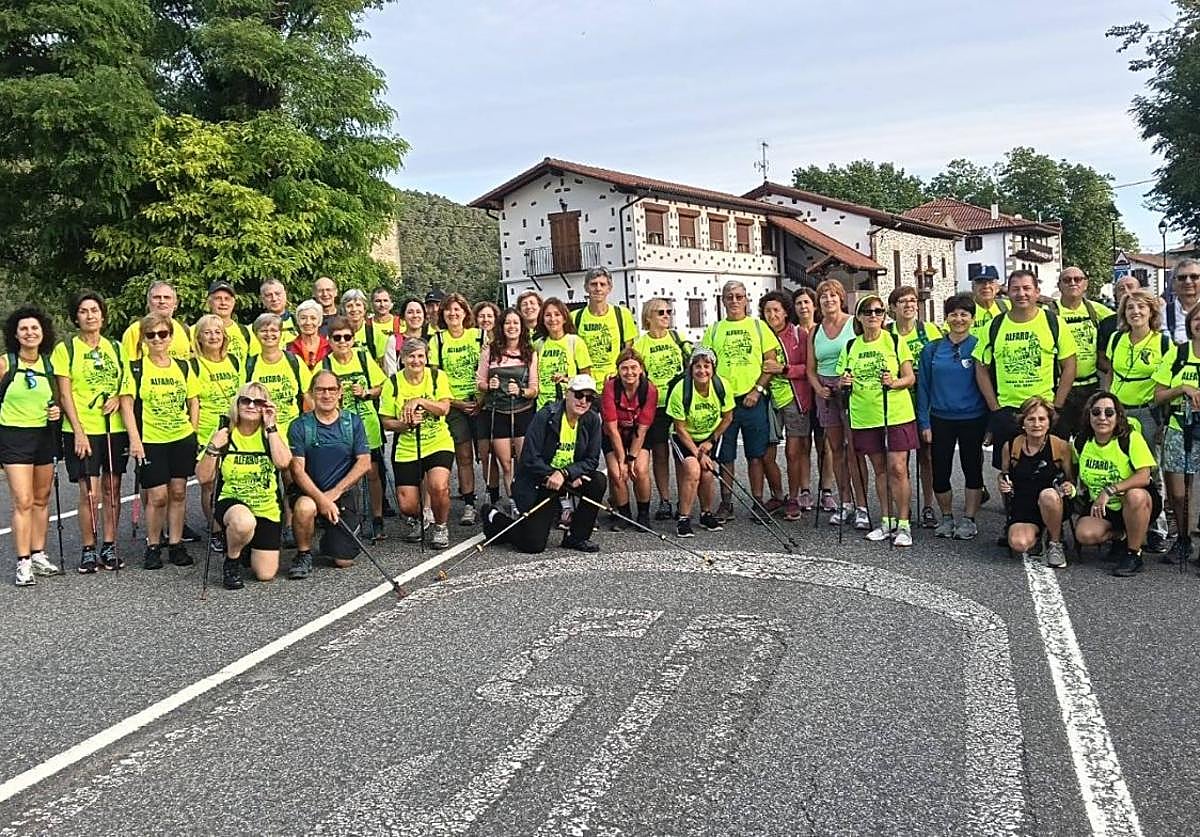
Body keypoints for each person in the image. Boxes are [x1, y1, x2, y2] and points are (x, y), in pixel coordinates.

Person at [480, 374, 606, 553]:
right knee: (533, 545)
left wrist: (566, 473)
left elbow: (592, 460)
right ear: (567, 393)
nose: (583, 401)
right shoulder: (546, 416)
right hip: (540, 481)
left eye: (589, 398)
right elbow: (530, 458)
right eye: (579, 395)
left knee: (597, 480)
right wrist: (553, 474)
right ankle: (495, 518)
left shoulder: (592, 420)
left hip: (565, 478)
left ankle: (577, 537)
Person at [52, 291, 128, 572]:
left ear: (103, 316)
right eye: (83, 311)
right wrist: (79, 431)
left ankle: (109, 545)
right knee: (89, 492)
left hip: (113, 428)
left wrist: (119, 398)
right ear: (76, 317)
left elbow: (125, 386)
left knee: (112, 488)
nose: (90, 315)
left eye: (94, 310)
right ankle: (88, 547)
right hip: (82, 429)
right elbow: (65, 394)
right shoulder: (67, 349)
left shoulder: (116, 348)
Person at [974, 269, 1077, 473]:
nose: (1022, 294)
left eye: (1027, 288)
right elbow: (980, 367)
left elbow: (1070, 366)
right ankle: (1011, 506)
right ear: (1007, 293)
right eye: (1015, 289)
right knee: (1008, 470)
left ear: (1037, 292)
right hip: (1008, 410)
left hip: (1045, 409)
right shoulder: (994, 326)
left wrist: (1057, 405)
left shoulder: (1053, 322)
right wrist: (995, 408)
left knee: (1053, 468)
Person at [120, 312, 200, 570]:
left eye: (162, 334)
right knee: (157, 496)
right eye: (151, 335)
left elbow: (193, 399)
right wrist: (135, 439)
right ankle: (153, 545)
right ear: (143, 338)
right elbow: (127, 404)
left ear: (170, 336)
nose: (157, 339)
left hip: (180, 438)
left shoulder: (183, 366)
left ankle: (176, 544)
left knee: (178, 492)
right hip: (151, 440)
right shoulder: (137, 368)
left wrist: (193, 431)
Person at [838, 294, 919, 546]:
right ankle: (886, 520)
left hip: (895, 413)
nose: (873, 316)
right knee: (880, 470)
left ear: (884, 316)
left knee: (897, 467)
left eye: (878, 311)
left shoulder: (894, 341)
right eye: (868, 312)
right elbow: (843, 378)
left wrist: (893, 383)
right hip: (865, 415)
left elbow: (909, 378)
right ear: (859, 317)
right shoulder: (851, 346)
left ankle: (903, 524)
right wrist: (844, 383)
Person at [196, 382, 292, 589]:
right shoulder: (226, 432)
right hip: (232, 502)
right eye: (245, 400)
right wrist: (213, 447)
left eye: (258, 402)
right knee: (243, 522)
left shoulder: (271, 433)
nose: (250, 406)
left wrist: (271, 426)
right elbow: (203, 478)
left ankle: (244, 544)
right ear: (237, 404)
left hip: (267, 507)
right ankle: (232, 561)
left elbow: (284, 463)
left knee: (265, 574)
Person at [703, 279, 780, 522]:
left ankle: (757, 500)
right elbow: (705, 364)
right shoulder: (714, 330)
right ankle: (726, 503)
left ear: (746, 299)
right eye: (729, 297)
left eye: (739, 296)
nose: (734, 301)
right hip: (725, 403)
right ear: (723, 300)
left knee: (755, 454)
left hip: (753, 400)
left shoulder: (759, 327)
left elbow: (770, 364)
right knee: (725, 455)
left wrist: (757, 390)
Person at [1102, 288, 1170, 552]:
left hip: (1146, 411)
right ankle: (1123, 524)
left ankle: (1157, 527)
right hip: (1119, 412)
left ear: (1151, 312)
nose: (1136, 312)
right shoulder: (1117, 339)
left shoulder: (1162, 343)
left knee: (1152, 469)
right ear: (1124, 313)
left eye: (1142, 307)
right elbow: (1109, 371)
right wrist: (1107, 401)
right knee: (1120, 465)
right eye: (1130, 308)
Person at [287, 371, 371, 579]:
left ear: (340, 392)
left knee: (343, 561)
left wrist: (335, 493)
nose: (326, 395)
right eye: (320, 390)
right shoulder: (300, 425)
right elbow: (297, 469)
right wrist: (321, 499)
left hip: (341, 494)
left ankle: (331, 538)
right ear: (312, 393)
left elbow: (364, 462)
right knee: (305, 507)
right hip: (310, 493)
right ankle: (303, 553)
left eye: (332, 389)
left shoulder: (352, 422)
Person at [917, 294, 988, 541]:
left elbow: (988, 384)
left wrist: (990, 423)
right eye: (954, 314)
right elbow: (923, 387)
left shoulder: (980, 345)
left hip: (973, 417)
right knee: (940, 470)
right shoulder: (932, 349)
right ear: (946, 318)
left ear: (972, 318)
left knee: (972, 468)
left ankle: (969, 519)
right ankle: (946, 516)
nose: (958, 319)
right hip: (940, 417)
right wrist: (924, 423)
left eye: (964, 314)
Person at [2, 307, 63, 585]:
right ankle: (23, 561)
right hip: (13, 436)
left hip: (43, 437)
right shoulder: (6, 363)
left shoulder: (49, 365)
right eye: (24, 329)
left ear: (43, 333)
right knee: (23, 500)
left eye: (34, 328)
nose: (30, 333)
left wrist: (56, 411)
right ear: (15, 334)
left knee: (41, 499)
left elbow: (58, 401)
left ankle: (38, 554)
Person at [380, 337, 454, 547]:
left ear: (427, 357)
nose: (416, 360)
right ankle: (420, 519)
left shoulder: (437, 376)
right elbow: (386, 422)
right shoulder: (392, 383)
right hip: (407, 445)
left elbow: (444, 408)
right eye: (411, 356)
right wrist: (405, 424)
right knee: (406, 504)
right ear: (402, 359)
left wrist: (420, 401)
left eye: (421, 356)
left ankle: (441, 526)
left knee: (438, 486)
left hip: (437, 440)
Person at [247, 312, 312, 547]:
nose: (269, 334)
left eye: (274, 330)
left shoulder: (293, 361)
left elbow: (307, 395)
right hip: (259, 431)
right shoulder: (250, 363)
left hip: (291, 429)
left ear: (281, 334)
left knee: (290, 477)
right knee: (265, 478)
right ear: (256, 334)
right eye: (263, 330)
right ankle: (266, 523)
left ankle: (290, 523)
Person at [1072, 392, 1155, 577]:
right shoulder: (1081, 441)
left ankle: (1134, 553)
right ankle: (1121, 536)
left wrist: (1110, 490)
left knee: (1135, 495)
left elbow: (1144, 476)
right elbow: (1074, 474)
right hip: (1101, 507)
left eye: (1109, 413)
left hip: (1134, 503)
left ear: (1118, 416)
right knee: (1084, 534)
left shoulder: (1130, 438)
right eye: (1096, 412)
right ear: (1089, 415)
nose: (1102, 418)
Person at [321, 316, 388, 539]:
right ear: (329, 340)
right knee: (346, 475)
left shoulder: (362, 357)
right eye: (337, 338)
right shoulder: (326, 364)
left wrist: (366, 392)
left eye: (347, 337)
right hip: (339, 427)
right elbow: (317, 394)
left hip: (367, 423)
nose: (342, 342)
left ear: (353, 338)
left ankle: (377, 518)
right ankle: (351, 518)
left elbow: (382, 386)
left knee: (373, 472)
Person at [808, 279, 867, 528]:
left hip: (850, 388)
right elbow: (811, 367)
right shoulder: (815, 330)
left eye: (833, 295)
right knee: (836, 450)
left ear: (841, 298)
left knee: (855, 449)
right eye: (823, 297)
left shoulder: (853, 323)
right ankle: (845, 502)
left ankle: (863, 505)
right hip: (825, 391)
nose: (828, 300)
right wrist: (818, 388)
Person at [888, 285, 942, 527]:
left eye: (913, 301)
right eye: (903, 301)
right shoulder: (886, 332)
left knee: (927, 456)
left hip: (925, 399)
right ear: (892, 308)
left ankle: (928, 506)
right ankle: (903, 506)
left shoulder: (929, 331)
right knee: (899, 460)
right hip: (896, 400)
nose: (909, 305)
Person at [997, 396, 1075, 567]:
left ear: (1049, 422)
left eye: (1042, 419)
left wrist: (1069, 487)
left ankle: (1055, 542)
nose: (1036, 424)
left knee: (1048, 495)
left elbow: (1071, 479)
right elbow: (1004, 474)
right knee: (1020, 543)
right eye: (1031, 419)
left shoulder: (1060, 446)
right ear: (1023, 422)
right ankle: (1038, 535)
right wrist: (1003, 484)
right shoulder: (1011, 446)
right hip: (1024, 505)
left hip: (1053, 503)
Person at [191, 314, 246, 552]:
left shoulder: (234, 361)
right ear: (199, 337)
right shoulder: (193, 364)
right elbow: (192, 402)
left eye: (217, 332)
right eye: (207, 332)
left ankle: (234, 523)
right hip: (207, 429)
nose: (213, 336)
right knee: (209, 482)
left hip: (234, 427)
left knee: (233, 478)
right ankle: (214, 529)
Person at [428, 293, 483, 525]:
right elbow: (434, 378)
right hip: (452, 405)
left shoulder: (478, 335)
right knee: (463, 455)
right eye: (448, 310)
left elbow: (488, 367)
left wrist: (481, 399)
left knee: (488, 454)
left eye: (457, 309)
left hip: (480, 402)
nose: (453, 314)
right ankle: (468, 503)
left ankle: (495, 497)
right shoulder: (437, 340)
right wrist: (457, 403)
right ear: (443, 314)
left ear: (465, 313)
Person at [667, 346, 734, 537]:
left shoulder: (722, 386)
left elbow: (728, 417)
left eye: (707, 366)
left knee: (707, 471)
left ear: (713, 369)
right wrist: (698, 453)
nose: (702, 371)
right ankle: (683, 518)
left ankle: (706, 513)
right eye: (697, 366)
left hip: (709, 435)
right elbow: (679, 428)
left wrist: (710, 442)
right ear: (691, 369)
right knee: (693, 468)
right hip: (684, 436)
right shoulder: (681, 390)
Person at [1152, 299, 1200, 565]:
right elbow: (1157, 395)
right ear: (1190, 324)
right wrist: (1182, 388)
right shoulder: (1178, 354)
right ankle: (1182, 540)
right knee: (1178, 493)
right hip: (1179, 428)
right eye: (1196, 319)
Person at [632, 297, 688, 521]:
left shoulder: (677, 337)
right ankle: (664, 500)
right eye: (660, 312)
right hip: (653, 406)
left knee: (680, 455)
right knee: (661, 454)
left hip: (677, 404)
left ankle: (684, 500)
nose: (666, 316)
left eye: (668, 311)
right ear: (648, 317)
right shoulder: (640, 344)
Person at [477, 308, 538, 510]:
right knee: (505, 463)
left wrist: (520, 391)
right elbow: (480, 383)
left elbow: (534, 389)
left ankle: (524, 499)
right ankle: (513, 501)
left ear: (522, 328)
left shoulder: (530, 353)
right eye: (507, 323)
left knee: (523, 462)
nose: (512, 327)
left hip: (522, 412)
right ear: (501, 327)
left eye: (516, 323)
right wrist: (489, 386)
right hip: (498, 412)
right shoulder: (490, 351)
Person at [760, 290, 808, 521]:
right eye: (767, 311)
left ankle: (794, 498)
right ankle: (778, 494)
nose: (771, 315)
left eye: (776, 310)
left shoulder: (799, 334)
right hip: (769, 398)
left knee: (792, 453)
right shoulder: (760, 334)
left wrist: (783, 369)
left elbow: (809, 369)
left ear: (786, 312)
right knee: (766, 452)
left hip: (794, 398)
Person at [1049, 267, 1113, 437]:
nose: (1073, 283)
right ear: (1059, 285)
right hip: (1059, 388)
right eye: (1067, 280)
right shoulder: (1049, 312)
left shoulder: (1097, 310)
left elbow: (1126, 324)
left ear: (1086, 284)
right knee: (1059, 441)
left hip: (1090, 387)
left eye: (1078, 279)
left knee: (1087, 440)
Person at [601, 348, 657, 529]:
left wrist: (631, 458)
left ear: (641, 369)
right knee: (617, 472)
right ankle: (624, 515)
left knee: (639, 470)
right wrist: (622, 460)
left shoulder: (649, 389)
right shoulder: (610, 387)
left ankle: (643, 514)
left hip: (636, 434)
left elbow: (643, 428)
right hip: (614, 433)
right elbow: (611, 427)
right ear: (618, 370)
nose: (629, 372)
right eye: (624, 368)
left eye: (634, 368)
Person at [794, 287, 835, 513]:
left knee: (825, 446)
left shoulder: (822, 330)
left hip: (823, 394)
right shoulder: (792, 333)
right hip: (801, 396)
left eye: (807, 302)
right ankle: (805, 490)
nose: (803, 307)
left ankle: (826, 490)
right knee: (803, 446)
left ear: (814, 305)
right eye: (799, 303)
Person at [572, 266, 637, 383]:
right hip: (586, 384)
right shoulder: (575, 317)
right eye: (593, 284)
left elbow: (628, 352)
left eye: (602, 284)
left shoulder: (622, 314)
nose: (598, 288)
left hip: (615, 382)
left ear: (609, 288)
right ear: (586, 287)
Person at [534, 297, 592, 410]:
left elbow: (586, 378)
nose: (552, 319)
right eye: (548, 315)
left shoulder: (575, 341)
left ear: (564, 318)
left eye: (557, 314)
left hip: (569, 403)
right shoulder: (538, 344)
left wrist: (566, 379)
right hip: (543, 405)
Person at [472, 300, 503, 505]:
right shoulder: (473, 341)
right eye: (482, 316)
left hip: (500, 403)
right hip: (479, 403)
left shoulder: (504, 341)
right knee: (485, 453)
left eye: (489, 316)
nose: (485, 320)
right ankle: (492, 492)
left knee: (508, 453)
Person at [120, 281, 191, 361]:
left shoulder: (185, 330)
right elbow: (127, 367)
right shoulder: (135, 330)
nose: (162, 301)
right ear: (148, 302)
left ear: (175, 304)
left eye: (167, 297)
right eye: (157, 297)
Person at [201, 280, 259, 364]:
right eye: (218, 298)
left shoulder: (246, 332)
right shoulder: (195, 331)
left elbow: (253, 363)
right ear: (209, 302)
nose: (223, 303)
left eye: (227, 299)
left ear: (233, 303)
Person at [384, 297, 429, 376]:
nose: (415, 315)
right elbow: (391, 374)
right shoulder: (394, 341)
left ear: (424, 316)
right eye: (410, 312)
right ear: (403, 316)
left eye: (418, 312)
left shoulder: (432, 339)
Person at [1162, 258, 1200, 343]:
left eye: (1194, 277)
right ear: (1174, 283)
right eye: (1182, 278)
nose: (1188, 281)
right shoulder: (1161, 314)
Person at [289, 299, 331, 369]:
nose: (308, 322)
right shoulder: (289, 348)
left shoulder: (329, 347)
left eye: (313, 318)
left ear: (320, 322)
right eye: (303, 318)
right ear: (298, 321)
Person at [969, 267, 1008, 337]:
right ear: (972, 288)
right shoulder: (965, 310)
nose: (986, 286)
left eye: (991, 282)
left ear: (997, 287)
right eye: (980, 283)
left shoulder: (1009, 307)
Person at [259, 279, 299, 343]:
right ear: (262, 299)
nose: (274, 299)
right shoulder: (255, 328)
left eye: (277, 294)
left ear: (285, 295)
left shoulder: (300, 324)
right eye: (269, 295)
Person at [367, 287, 401, 361]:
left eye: (385, 301)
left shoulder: (400, 323)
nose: (382, 304)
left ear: (391, 303)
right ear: (371, 304)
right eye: (378, 301)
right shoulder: (366, 325)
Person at [341, 289, 373, 355]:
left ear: (364, 309)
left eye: (358, 305)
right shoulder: (337, 333)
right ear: (344, 310)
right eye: (349, 306)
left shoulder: (373, 331)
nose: (354, 309)